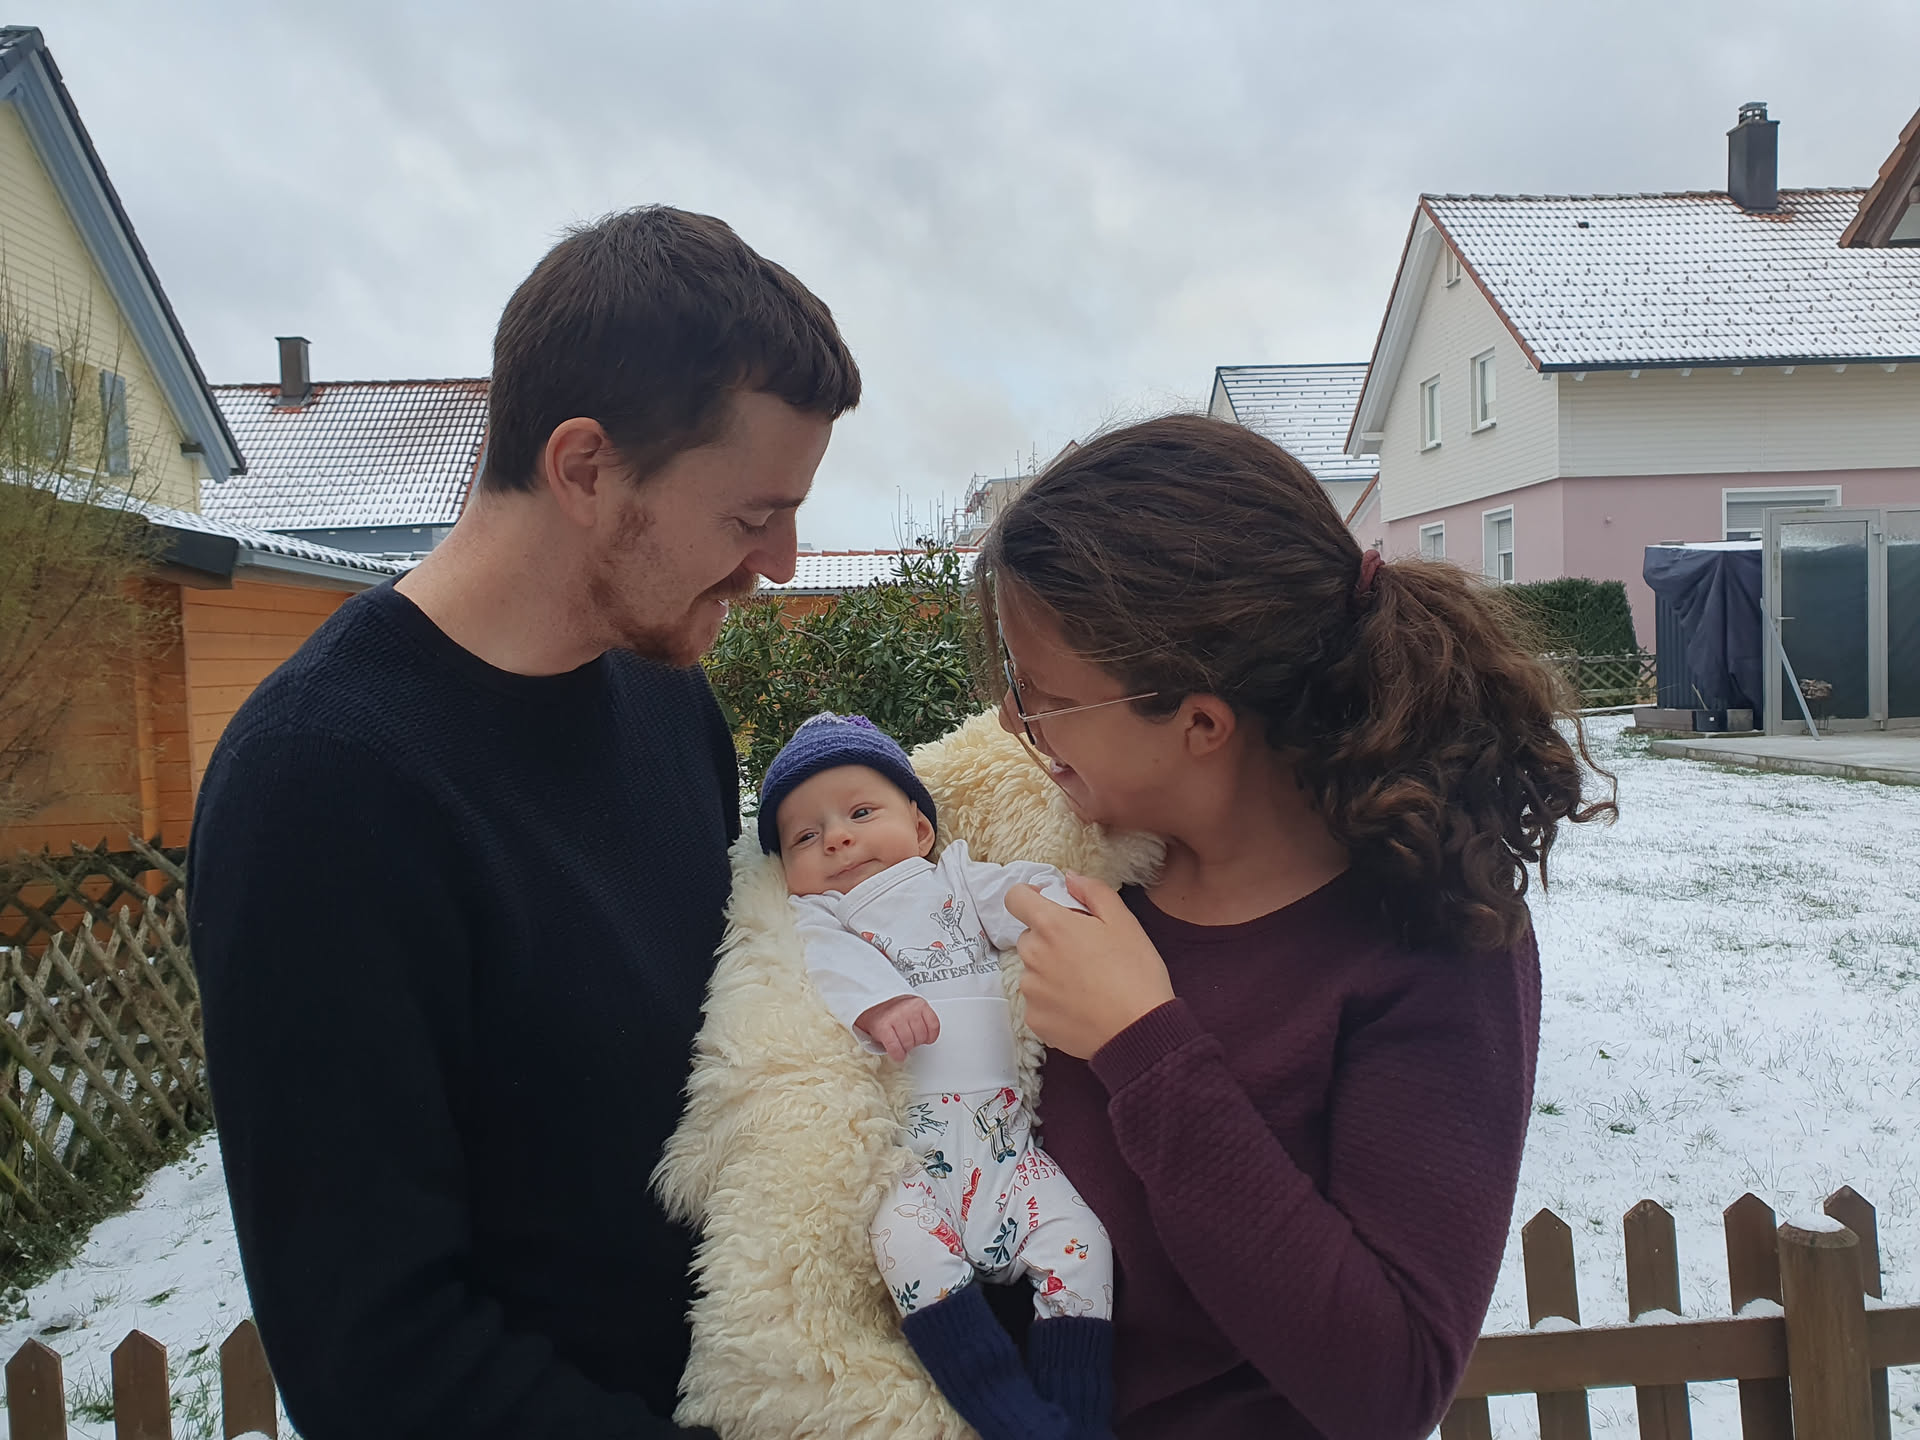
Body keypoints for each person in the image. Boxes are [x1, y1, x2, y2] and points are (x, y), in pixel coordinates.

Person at [186, 207, 860, 1439]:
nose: (783, 561)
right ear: (586, 468)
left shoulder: (666, 699)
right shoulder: (322, 789)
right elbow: (376, 1359)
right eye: (751, 515)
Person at [977, 414, 1613, 1440]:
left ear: (1200, 723)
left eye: (1043, 697)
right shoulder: (1067, 860)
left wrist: (1146, 1049)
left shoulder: (1429, 938)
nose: (1014, 722)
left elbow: (1390, 1388)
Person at [758, 712, 1114, 1440]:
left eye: (860, 813)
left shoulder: (954, 880)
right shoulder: (824, 915)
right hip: (912, 1163)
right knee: (907, 1249)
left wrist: (1064, 905)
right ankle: (1011, 1415)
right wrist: (882, 1002)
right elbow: (826, 963)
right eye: (805, 836)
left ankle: (1077, 1415)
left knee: (1082, 1243)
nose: (837, 839)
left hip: (1007, 1148)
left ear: (920, 829)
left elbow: (1020, 894)